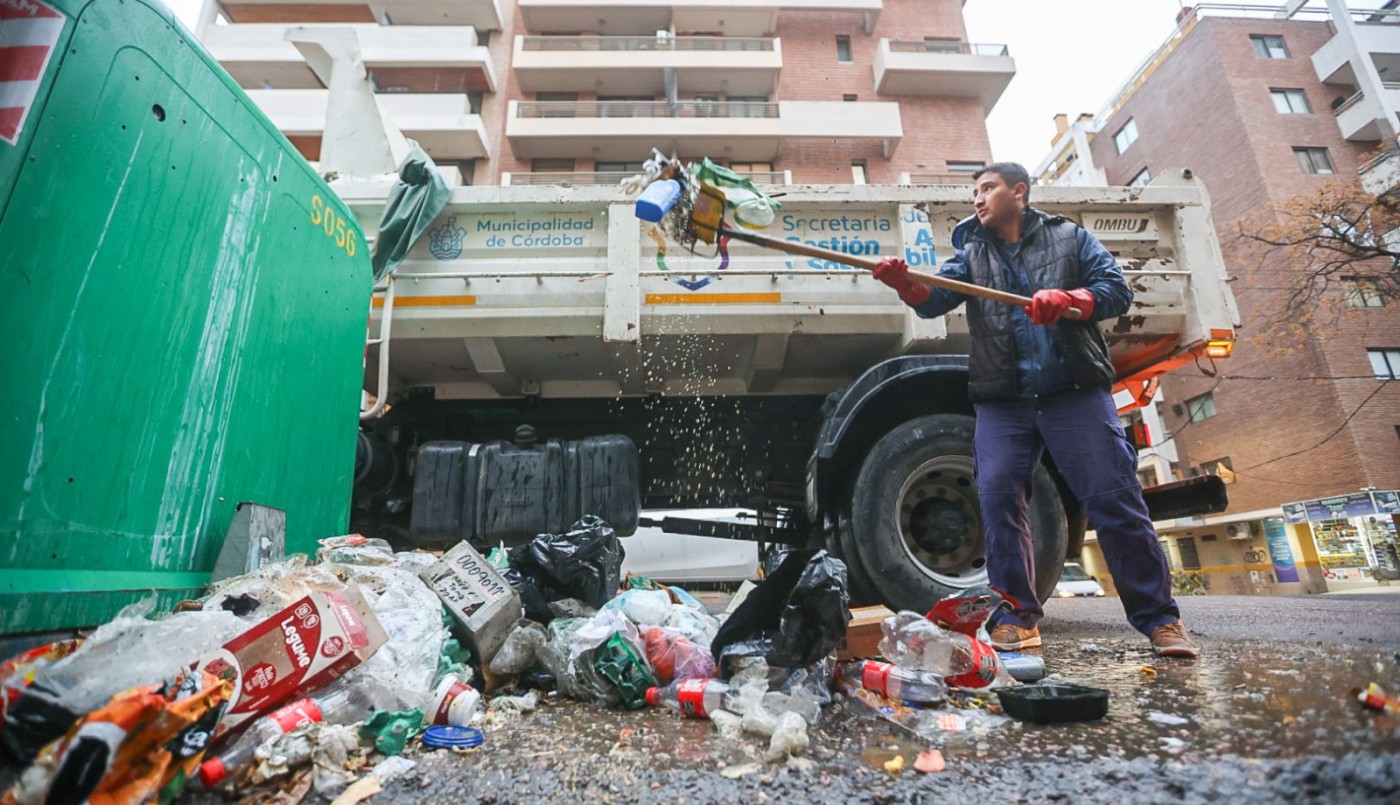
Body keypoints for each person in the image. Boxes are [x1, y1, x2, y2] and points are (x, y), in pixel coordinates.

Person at [871, 162, 1199, 658]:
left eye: (987, 188)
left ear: (1018, 191)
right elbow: (933, 299)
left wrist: (1071, 298)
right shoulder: (971, 251)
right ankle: (1016, 617)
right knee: (999, 502)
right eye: (974, 191)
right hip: (1004, 399)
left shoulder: (1069, 238)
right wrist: (905, 284)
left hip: (1073, 391)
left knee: (1115, 502)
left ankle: (1160, 621)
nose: (977, 199)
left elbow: (1116, 289)